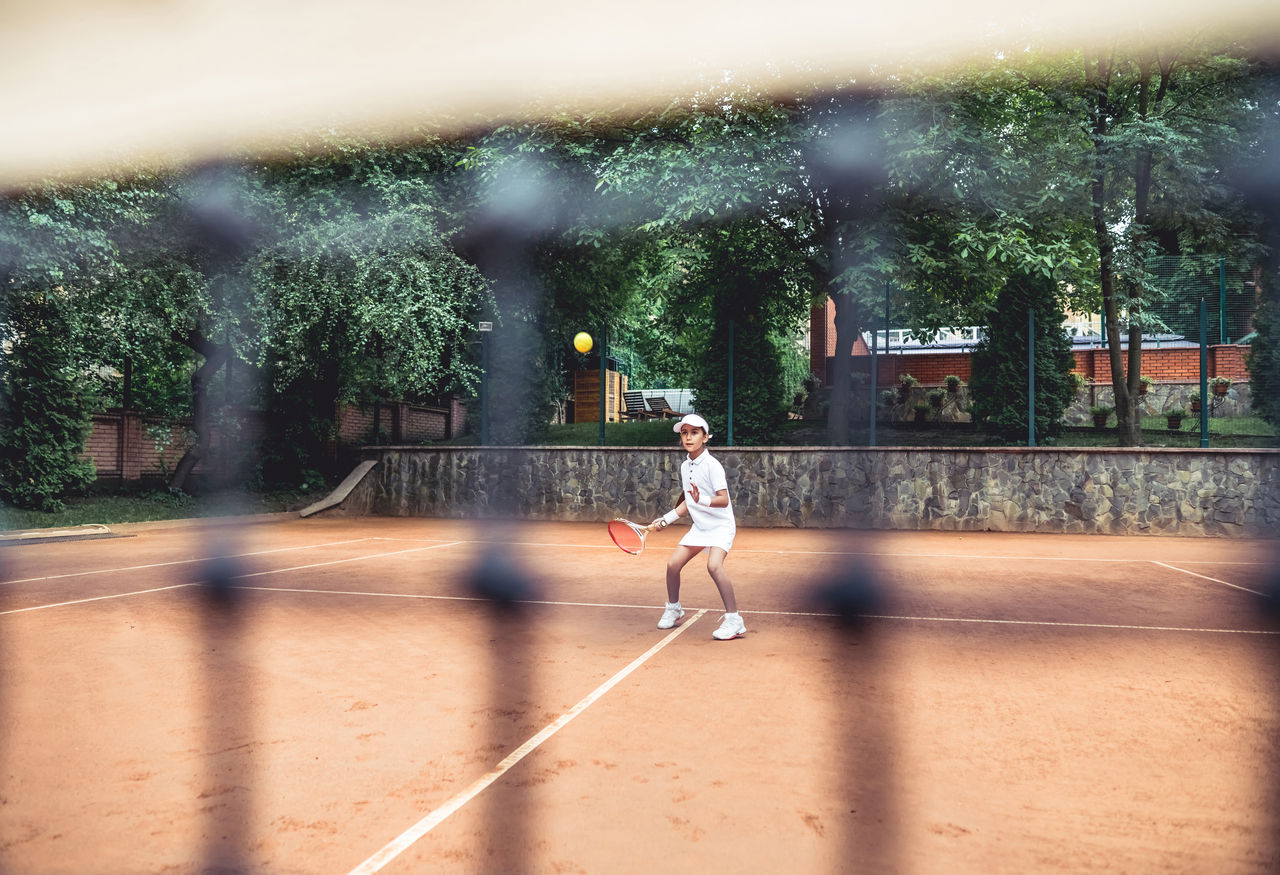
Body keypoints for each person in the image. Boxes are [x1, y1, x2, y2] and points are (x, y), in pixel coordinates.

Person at [648, 413, 746, 641]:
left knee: (714, 566)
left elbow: (723, 500)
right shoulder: (685, 466)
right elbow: (687, 503)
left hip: (721, 525)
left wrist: (701, 499)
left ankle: (734, 620)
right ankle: (674, 608)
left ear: (705, 437)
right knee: (673, 565)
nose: (688, 437)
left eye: (694, 432)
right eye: (684, 433)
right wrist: (665, 520)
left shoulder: (713, 466)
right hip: (700, 527)